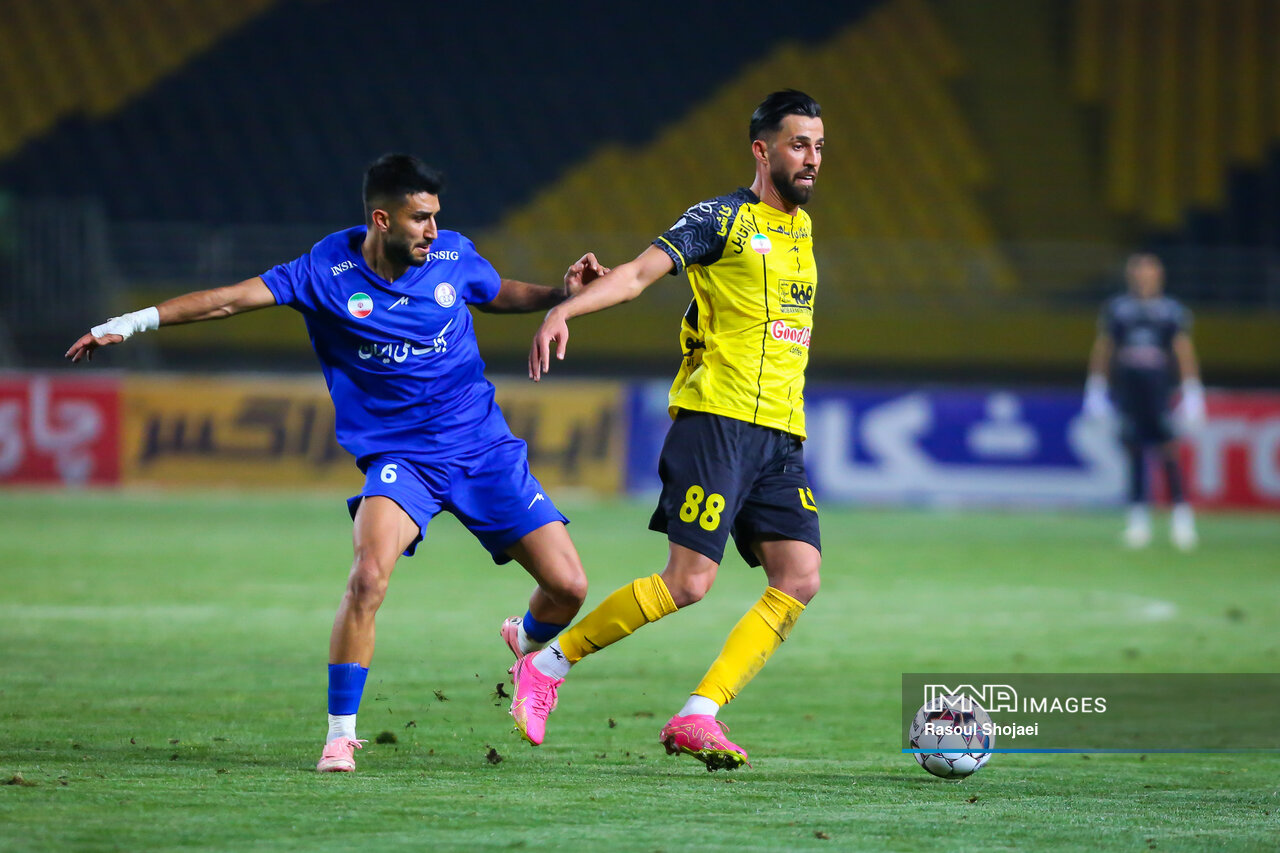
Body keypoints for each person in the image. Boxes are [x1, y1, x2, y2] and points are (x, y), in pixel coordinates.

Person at [66, 154, 602, 772]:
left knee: (569, 588)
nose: (433, 230)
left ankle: (524, 641)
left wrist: (561, 295)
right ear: (382, 219)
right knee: (368, 577)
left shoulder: (454, 254)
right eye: (420, 218)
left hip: (483, 448)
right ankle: (341, 735)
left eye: (436, 216)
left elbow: (496, 291)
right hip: (402, 459)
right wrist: (129, 323)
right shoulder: (324, 272)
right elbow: (228, 302)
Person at [510, 90, 825, 771]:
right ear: (762, 149)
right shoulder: (721, 219)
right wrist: (566, 310)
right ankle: (547, 663)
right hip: (718, 422)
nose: (812, 158)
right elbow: (635, 275)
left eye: (819, 146)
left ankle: (697, 714)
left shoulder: (802, 230)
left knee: (800, 577)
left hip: (780, 435)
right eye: (799, 144)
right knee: (688, 583)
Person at [1084, 252, 1205, 550]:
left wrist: (1191, 391)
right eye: (1138, 272)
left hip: (1159, 392)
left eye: (1148, 272)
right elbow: (1105, 347)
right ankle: (1138, 521)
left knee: (1168, 451)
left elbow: (1182, 349)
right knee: (1134, 451)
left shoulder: (1171, 311)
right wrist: (1096, 388)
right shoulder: (1118, 309)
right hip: (1129, 393)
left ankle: (1181, 519)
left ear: (1159, 276)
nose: (1143, 278)